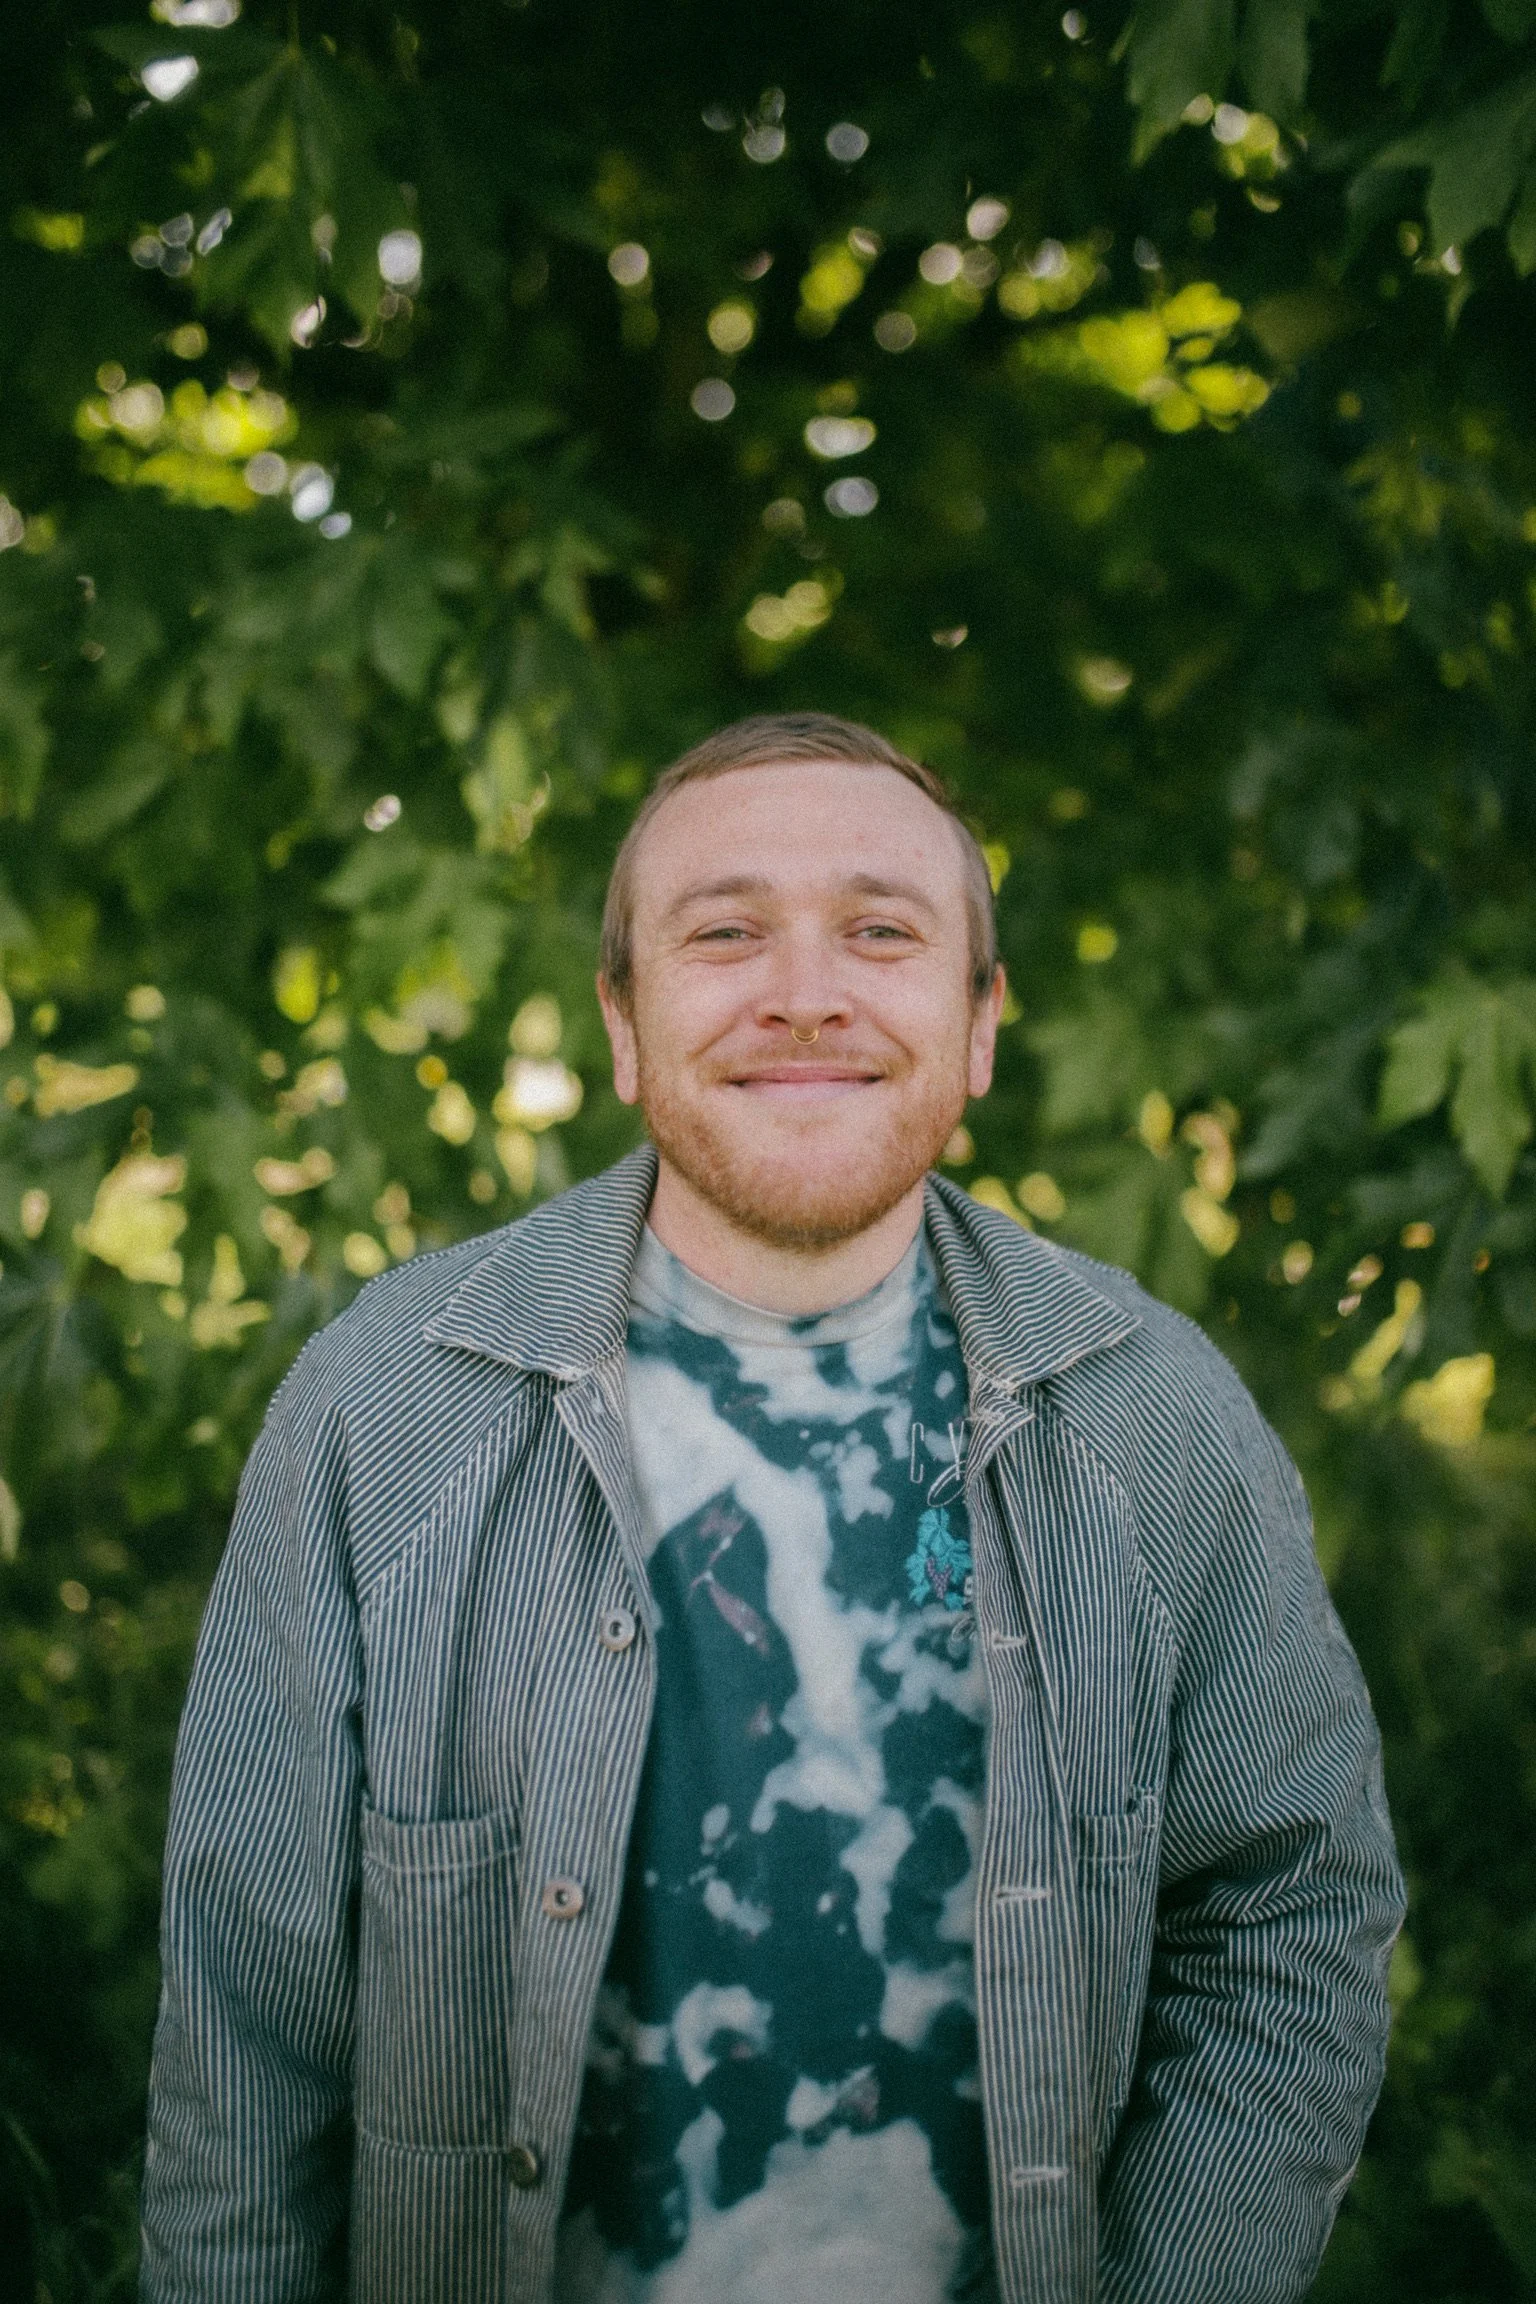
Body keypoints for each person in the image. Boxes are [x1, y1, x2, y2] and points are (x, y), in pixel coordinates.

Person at [140, 712, 1404, 2304]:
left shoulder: (1155, 1423)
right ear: (621, 1019)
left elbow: (1289, 1919)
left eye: (880, 932)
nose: (803, 992)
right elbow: (245, 2043)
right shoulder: (381, 1414)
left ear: (982, 1019)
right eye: (726, 932)